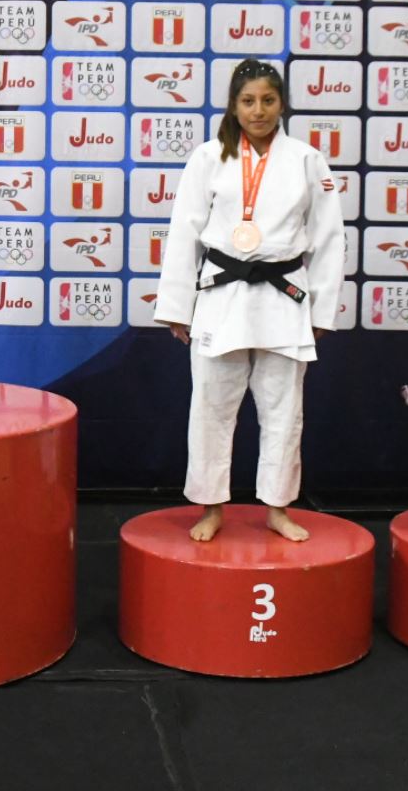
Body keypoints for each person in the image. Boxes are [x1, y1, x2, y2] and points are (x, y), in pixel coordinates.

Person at [154, 61, 345, 542]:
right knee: (212, 406)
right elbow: (184, 233)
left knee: (284, 409)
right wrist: (178, 306)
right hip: (223, 294)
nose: (258, 111)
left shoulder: (307, 160)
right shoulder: (207, 158)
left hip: (284, 297)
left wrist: (321, 312)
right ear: (233, 105)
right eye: (248, 101)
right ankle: (211, 505)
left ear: (282, 104)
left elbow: (329, 240)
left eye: (267, 100)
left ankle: (278, 506)